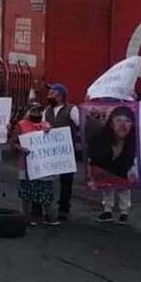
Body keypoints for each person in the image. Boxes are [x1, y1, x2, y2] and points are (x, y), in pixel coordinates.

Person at [87, 105, 137, 224]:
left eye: (127, 121)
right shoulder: (101, 138)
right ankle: (107, 210)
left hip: (123, 171)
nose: (122, 125)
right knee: (107, 186)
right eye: (118, 120)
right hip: (106, 170)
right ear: (111, 122)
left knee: (124, 188)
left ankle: (124, 212)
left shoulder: (134, 141)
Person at [12, 102, 59, 226]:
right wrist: (21, 149)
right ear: (28, 112)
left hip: (43, 164)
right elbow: (13, 142)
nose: (36, 113)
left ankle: (48, 216)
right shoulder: (21, 125)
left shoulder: (46, 125)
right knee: (27, 191)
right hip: (26, 164)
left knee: (46, 190)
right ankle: (26, 216)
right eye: (33, 111)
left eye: (38, 111)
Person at [43, 83, 81, 220]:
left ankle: (64, 207)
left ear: (60, 95)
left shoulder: (71, 109)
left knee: (66, 180)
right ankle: (45, 204)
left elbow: (79, 124)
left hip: (66, 149)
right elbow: (42, 125)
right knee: (47, 178)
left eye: (52, 91)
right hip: (50, 148)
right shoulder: (46, 110)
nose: (49, 94)